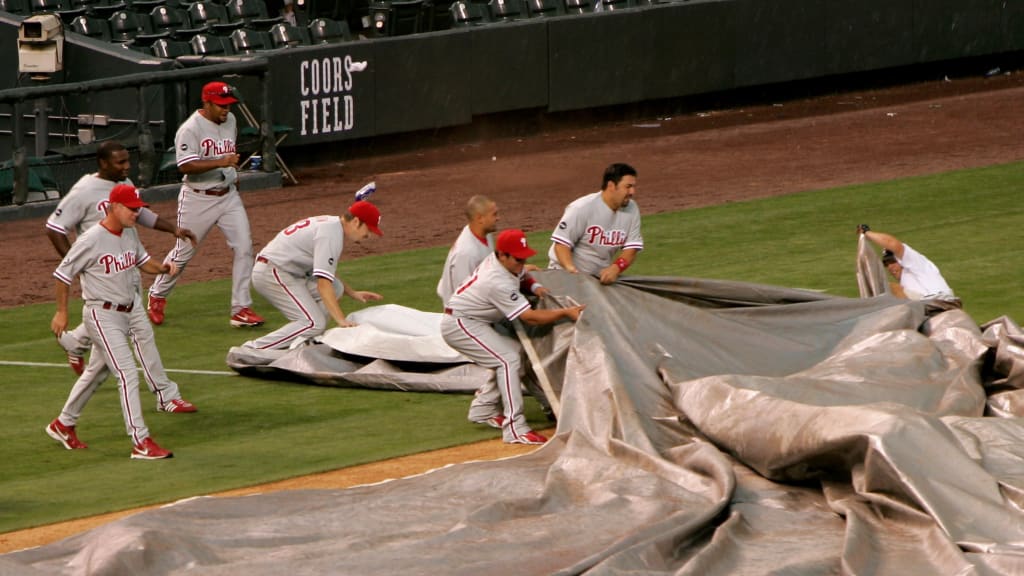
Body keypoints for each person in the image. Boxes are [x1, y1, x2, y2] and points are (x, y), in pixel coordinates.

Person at [48, 185, 196, 460]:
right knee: (127, 373)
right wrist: (61, 313)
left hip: (130, 310)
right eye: (131, 208)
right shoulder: (91, 240)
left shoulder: (129, 232)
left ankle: (63, 423)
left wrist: (162, 269)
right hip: (102, 315)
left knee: (96, 373)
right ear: (113, 207)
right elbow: (63, 274)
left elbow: (142, 261)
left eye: (138, 208)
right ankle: (140, 440)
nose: (137, 213)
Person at [46, 141, 196, 376]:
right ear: (104, 163)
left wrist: (173, 229)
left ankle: (75, 344)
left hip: (126, 259)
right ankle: (161, 390)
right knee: (121, 315)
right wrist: (76, 264)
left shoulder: (125, 184)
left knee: (121, 311)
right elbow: (54, 228)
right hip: (102, 267)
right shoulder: (84, 190)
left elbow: (141, 213)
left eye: (128, 160)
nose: (127, 166)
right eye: (121, 162)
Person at [443, 229, 585, 445]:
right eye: (518, 259)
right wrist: (565, 312)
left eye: (524, 258)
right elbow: (531, 318)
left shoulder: (503, 263)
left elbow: (521, 275)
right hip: (461, 324)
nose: (522, 262)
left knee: (515, 354)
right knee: (508, 360)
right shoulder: (496, 280)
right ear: (502, 255)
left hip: (477, 320)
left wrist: (534, 286)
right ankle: (515, 428)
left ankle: (484, 408)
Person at [147, 81, 265, 328]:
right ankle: (157, 294)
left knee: (244, 247)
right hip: (198, 198)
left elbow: (229, 156)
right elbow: (185, 166)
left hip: (228, 195)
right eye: (221, 105)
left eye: (228, 105)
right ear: (207, 103)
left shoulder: (230, 121)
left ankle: (240, 308)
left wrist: (233, 175)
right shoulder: (190, 129)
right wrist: (222, 162)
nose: (226, 110)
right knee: (183, 253)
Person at [241, 200, 384, 351]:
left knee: (336, 288)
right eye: (368, 229)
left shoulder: (332, 226)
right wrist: (341, 320)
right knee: (313, 323)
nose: (368, 235)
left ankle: (305, 342)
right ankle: (253, 349)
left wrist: (352, 293)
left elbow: (326, 272)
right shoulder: (330, 234)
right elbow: (323, 285)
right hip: (272, 273)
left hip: (285, 272)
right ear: (356, 222)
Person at [548, 162, 643, 284]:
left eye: (633, 187)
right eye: (628, 186)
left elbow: (632, 247)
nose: (632, 192)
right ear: (611, 186)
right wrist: (571, 270)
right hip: (564, 276)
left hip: (597, 281)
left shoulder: (632, 208)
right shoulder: (582, 208)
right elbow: (561, 244)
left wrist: (616, 267)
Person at [857, 224, 960, 306]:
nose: (890, 267)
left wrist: (867, 233)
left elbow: (892, 243)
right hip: (930, 305)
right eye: (887, 264)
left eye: (893, 261)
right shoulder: (908, 282)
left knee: (889, 287)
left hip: (940, 302)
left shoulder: (915, 262)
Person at [436, 195, 499, 307]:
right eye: (494, 214)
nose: (498, 218)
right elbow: (463, 296)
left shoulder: (483, 233)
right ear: (480, 218)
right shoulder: (466, 253)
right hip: (461, 314)